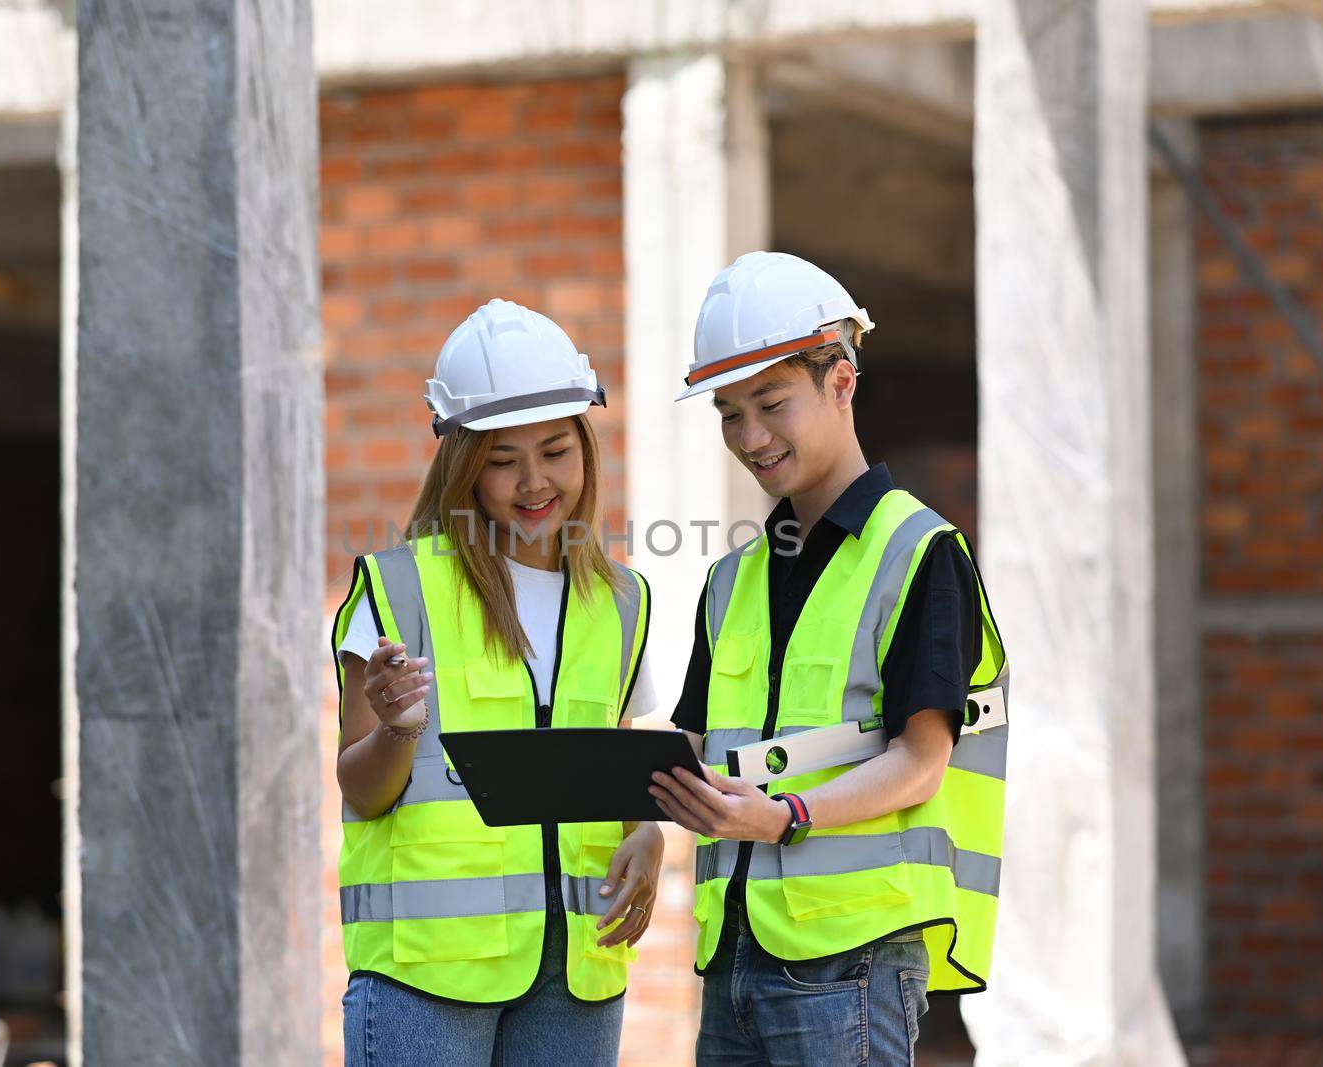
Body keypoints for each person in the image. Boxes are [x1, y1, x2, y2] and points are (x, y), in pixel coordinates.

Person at [649, 252, 1010, 1066]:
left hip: (854, 958)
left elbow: (922, 760)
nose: (751, 437)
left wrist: (787, 816)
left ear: (840, 380)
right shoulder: (732, 576)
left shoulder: (919, 552)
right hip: (735, 951)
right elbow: (698, 747)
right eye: (728, 414)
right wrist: (642, 822)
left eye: (771, 403)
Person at [333, 298, 665, 1066]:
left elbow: (611, 764)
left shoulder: (621, 600)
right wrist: (397, 728)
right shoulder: (397, 588)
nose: (534, 480)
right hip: (426, 977)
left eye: (555, 449)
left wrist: (645, 833)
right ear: (463, 463)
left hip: (575, 973)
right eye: (502, 458)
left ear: (585, 445)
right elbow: (361, 788)